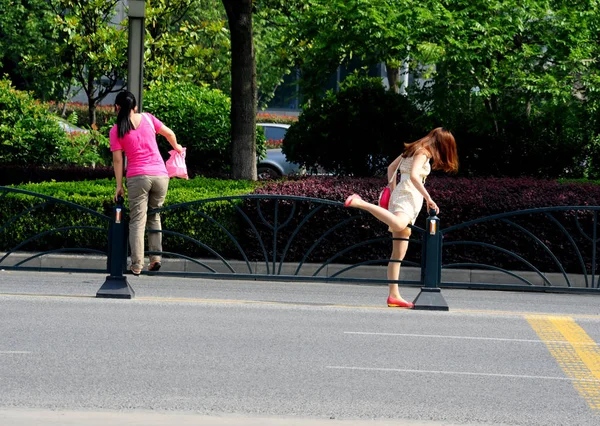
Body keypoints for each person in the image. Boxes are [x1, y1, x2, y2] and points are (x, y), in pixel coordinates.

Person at [344, 127, 458, 308]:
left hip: (403, 193)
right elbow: (414, 176)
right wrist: (429, 198)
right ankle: (360, 203)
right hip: (409, 196)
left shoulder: (412, 148)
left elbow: (391, 168)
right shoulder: (423, 152)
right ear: (442, 143)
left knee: (398, 252)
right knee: (399, 226)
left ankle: (394, 295)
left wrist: (394, 187)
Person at [110, 91, 183, 276]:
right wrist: (177, 148)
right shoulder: (149, 119)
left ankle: (137, 265)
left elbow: (118, 161)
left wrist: (119, 186)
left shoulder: (116, 129)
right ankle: (156, 259)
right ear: (135, 107)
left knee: (137, 221)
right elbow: (169, 133)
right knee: (154, 216)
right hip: (161, 176)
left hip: (138, 178)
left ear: (117, 107)